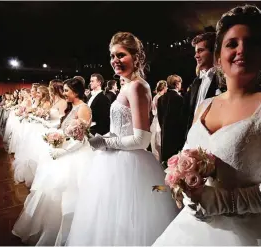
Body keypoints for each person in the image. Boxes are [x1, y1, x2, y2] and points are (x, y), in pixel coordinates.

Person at [153, 5, 261, 246]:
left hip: (252, 233)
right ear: (218, 57)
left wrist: (226, 202)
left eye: (252, 43)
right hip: (192, 228)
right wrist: (186, 188)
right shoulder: (205, 106)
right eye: (232, 44)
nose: (242, 50)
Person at [67, 32, 178, 246]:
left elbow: (142, 139)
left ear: (136, 58)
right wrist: (104, 136)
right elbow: (121, 128)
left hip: (133, 165)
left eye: (121, 55)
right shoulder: (126, 86)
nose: (115, 60)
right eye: (112, 56)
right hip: (115, 160)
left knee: (135, 214)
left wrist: (106, 142)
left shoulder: (137, 86)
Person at [12, 78, 94, 245]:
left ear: (75, 91)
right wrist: (52, 133)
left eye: (66, 91)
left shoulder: (84, 108)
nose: (64, 94)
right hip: (64, 152)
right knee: (52, 192)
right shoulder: (73, 107)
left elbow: (81, 139)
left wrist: (63, 150)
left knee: (70, 194)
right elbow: (64, 128)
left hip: (76, 156)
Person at [183, 32, 224, 141]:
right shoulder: (196, 82)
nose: (196, 55)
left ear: (214, 51)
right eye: (196, 51)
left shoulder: (225, 80)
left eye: (200, 51)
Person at [157, 75, 185, 163]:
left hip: (165, 134)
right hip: (177, 135)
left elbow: (159, 117)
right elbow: (182, 119)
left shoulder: (161, 99)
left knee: (167, 162)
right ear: (177, 84)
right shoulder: (180, 99)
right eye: (180, 83)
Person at [150, 80, 167, 161]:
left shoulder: (155, 96)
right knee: (158, 142)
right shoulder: (161, 97)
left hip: (155, 120)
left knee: (156, 143)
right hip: (159, 121)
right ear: (164, 87)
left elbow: (153, 112)